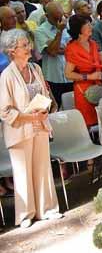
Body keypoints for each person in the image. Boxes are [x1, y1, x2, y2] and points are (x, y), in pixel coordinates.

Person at [0, 29, 62, 228]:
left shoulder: (36, 68)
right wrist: (29, 116)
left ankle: (47, 209)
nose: (29, 48)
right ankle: (25, 215)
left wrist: (45, 110)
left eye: (28, 44)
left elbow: (44, 93)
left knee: (43, 168)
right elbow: (5, 111)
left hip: (40, 126)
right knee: (23, 173)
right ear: (12, 51)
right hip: (19, 130)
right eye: (24, 45)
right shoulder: (6, 76)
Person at [64, 14, 102, 126]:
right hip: (84, 91)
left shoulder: (93, 44)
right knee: (89, 123)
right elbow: (68, 74)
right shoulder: (72, 49)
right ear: (79, 30)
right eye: (87, 26)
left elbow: (99, 63)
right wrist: (89, 77)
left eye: (90, 25)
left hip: (99, 85)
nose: (91, 27)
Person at [33, 2, 72, 108]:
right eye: (56, 18)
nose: (60, 21)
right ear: (47, 16)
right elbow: (53, 51)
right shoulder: (40, 31)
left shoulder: (69, 27)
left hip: (71, 76)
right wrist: (59, 31)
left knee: (72, 107)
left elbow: (73, 49)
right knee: (56, 109)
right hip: (53, 78)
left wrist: (55, 44)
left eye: (61, 16)